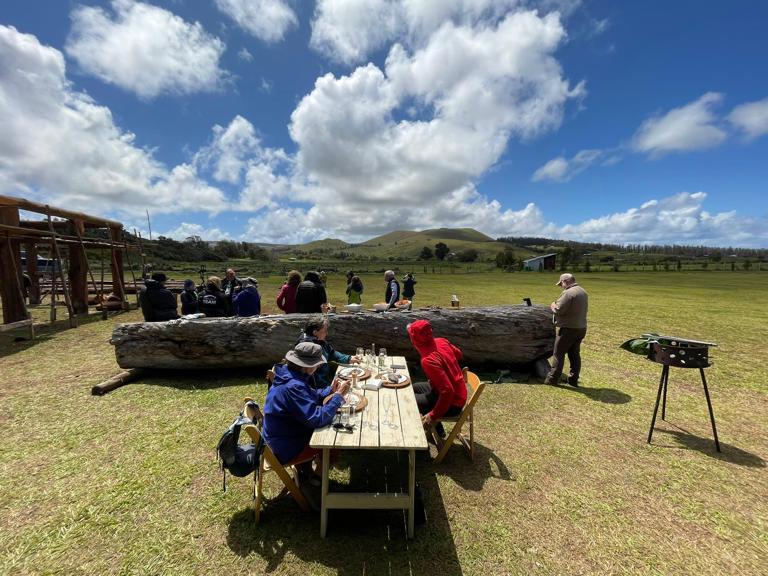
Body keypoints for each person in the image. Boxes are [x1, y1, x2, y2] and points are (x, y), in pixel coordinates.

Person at [262, 342, 349, 481]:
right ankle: (317, 479)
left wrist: (330, 391)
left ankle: (306, 470)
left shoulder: (289, 376)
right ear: (306, 366)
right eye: (317, 363)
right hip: (284, 447)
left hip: (279, 437)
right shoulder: (293, 386)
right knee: (333, 441)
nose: (318, 366)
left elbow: (307, 397)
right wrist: (338, 397)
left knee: (330, 424)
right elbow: (317, 419)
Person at [407, 319, 467, 438]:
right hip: (458, 393)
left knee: (408, 400)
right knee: (414, 388)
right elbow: (459, 354)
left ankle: (412, 437)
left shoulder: (428, 360)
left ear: (415, 340)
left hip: (453, 402)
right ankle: (439, 431)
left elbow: (448, 392)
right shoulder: (441, 341)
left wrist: (432, 416)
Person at [544, 273, 588, 387]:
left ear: (565, 281)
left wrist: (553, 305)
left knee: (558, 354)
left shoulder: (568, 293)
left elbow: (558, 310)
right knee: (574, 354)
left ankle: (552, 379)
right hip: (581, 328)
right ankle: (573, 379)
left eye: (561, 284)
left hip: (569, 329)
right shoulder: (582, 291)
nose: (561, 286)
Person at [297, 315, 362, 388]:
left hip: (326, 380)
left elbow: (332, 353)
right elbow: (313, 377)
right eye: (324, 331)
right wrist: (329, 388)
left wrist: (348, 359)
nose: (327, 333)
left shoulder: (319, 341)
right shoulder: (307, 349)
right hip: (317, 387)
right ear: (315, 332)